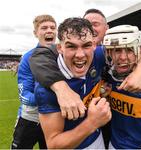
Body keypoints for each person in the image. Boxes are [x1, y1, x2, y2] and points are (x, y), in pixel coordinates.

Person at [34, 17, 111, 149]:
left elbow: (133, 52)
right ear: (60, 48)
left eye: (86, 45)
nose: (80, 54)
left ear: (94, 45)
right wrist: (92, 123)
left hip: (98, 140)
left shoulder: (97, 56)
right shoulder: (45, 90)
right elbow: (53, 144)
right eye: (71, 46)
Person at [11, 14, 57, 149]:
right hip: (30, 118)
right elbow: (24, 95)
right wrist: (55, 96)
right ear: (35, 33)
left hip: (54, 118)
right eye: (44, 28)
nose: (49, 30)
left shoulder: (63, 55)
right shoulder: (27, 58)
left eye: (52, 27)